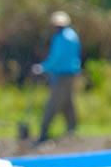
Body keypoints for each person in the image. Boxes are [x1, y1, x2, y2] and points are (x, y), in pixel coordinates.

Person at [34, 10, 82, 142]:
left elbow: (57, 58)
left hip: (62, 75)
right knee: (67, 103)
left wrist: (43, 67)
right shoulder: (73, 35)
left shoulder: (61, 38)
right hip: (71, 73)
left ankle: (43, 133)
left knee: (53, 103)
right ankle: (72, 130)